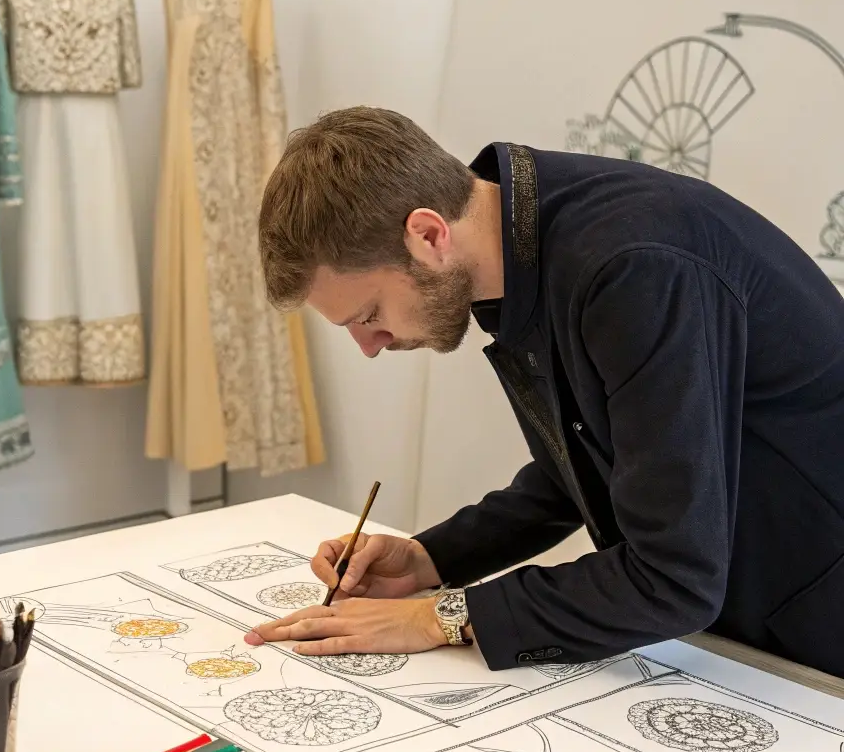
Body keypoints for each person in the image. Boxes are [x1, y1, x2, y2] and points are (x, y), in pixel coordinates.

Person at [244, 106, 844, 679]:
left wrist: (442, 616)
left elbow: (673, 578)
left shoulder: (634, 269)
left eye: (368, 313)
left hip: (817, 624)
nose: (369, 346)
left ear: (427, 235)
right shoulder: (518, 239)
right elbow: (587, 466)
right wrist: (430, 561)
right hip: (747, 619)